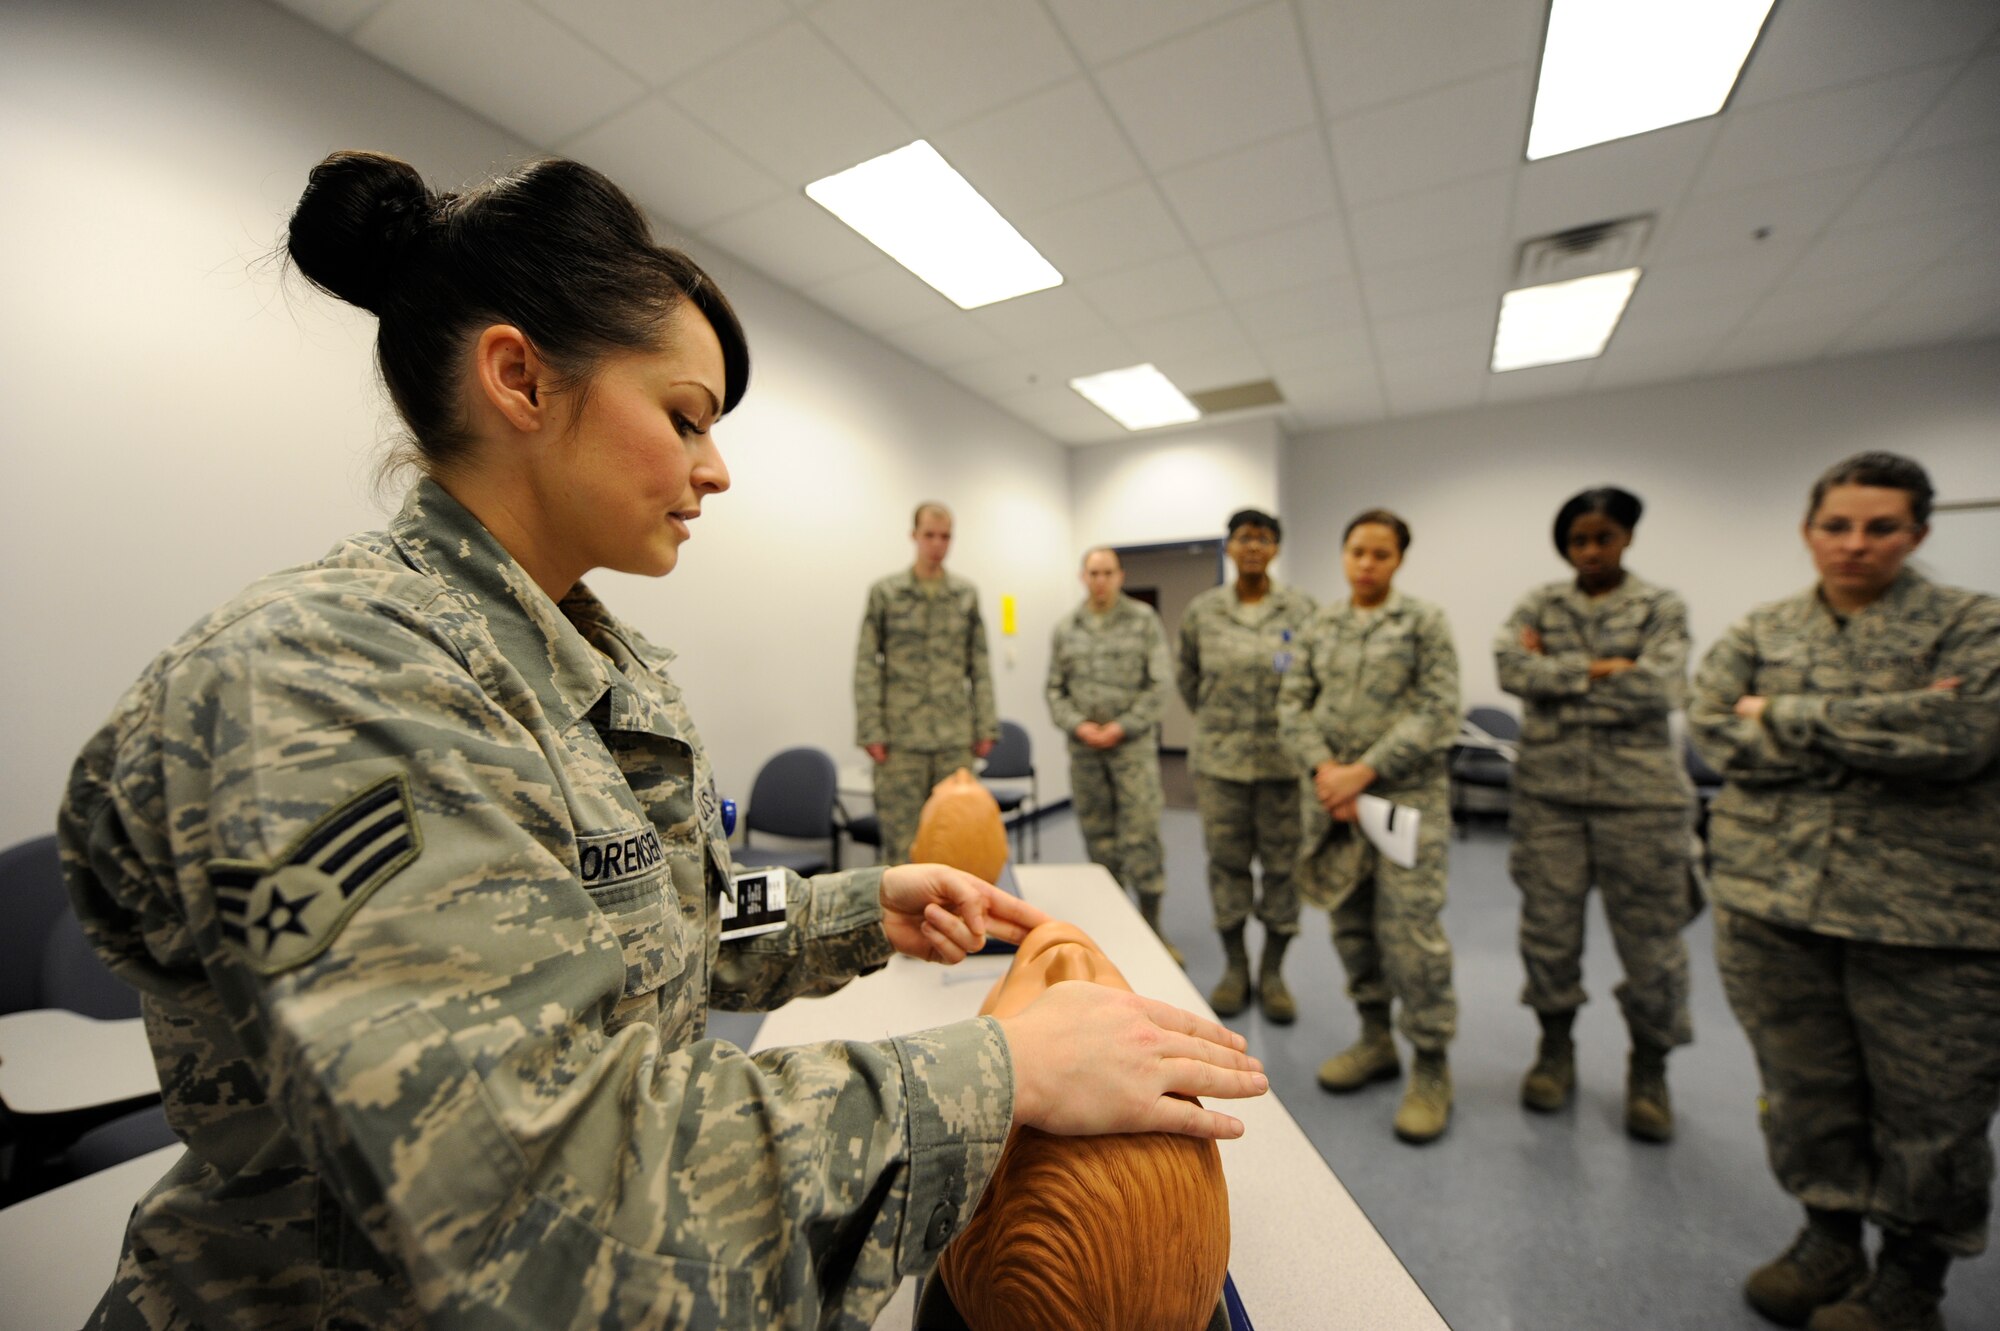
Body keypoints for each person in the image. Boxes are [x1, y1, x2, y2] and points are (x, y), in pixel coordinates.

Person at [57, 150, 1268, 1331]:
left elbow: (662, 923)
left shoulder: (589, 664)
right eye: (685, 416)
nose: (717, 468)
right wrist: (999, 1070)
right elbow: (534, 1205)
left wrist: (857, 908)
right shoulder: (328, 683)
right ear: (520, 380)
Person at [1692, 451, 2000, 1331]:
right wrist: (1887, 723)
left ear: (1918, 534)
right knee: (1805, 1091)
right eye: (1837, 525)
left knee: (1932, 1111)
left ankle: (1910, 1278)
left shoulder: (1974, 625)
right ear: (1808, 530)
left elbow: (1961, 736)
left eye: (1881, 527)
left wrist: (1782, 714)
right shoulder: (1763, 627)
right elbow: (1712, 728)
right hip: (1772, 904)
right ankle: (1828, 1237)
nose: (1855, 543)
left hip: (1931, 918)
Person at [1494, 486, 1700, 1142]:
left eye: (1602, 538)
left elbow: (1663, 687)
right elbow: (1509, 669)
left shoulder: (1660, 606)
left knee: (1652, 947)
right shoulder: (1538, 602)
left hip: (1641, 801)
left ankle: (1650, 1068)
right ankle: (1555, 1049)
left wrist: (1557, 670)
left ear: (1626, 537)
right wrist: (1610, 668)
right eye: (1577, 540)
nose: (1589, 551)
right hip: (1549, 799)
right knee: (1548, 936)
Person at [1280, 509, 1461, 1145]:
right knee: (1351, 927)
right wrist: (1326, 770)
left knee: (1411, 936)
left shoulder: (1423, 622)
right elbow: (1292, 704)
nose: (1366, 564)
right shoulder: (1320, 625)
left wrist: (1364, 771)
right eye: (1357, 551)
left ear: (1398, 560)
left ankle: (1431, 1065)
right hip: (1334, 804)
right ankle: (1376, 1039)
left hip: (1403, 804)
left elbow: (1439, 710)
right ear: (1344, 553)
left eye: (1380, 554)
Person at [1175, 509, 1316, 1018]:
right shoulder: (1203, 611)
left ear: (1275, 548)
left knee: (1283, 869)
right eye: (1243, 538)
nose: (1253, 546)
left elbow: (1317, 680)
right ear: (1229, 547)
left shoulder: (1302, 610)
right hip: (1221, 766)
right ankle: (1235, 968)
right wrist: (1220, 723)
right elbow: (1188, 677)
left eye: (1263, 538)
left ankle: (1273, 973)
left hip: (1284, 766)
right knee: (1227, 866)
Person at [1045, 548, 1173, 957]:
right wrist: (1078, 725)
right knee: (1099, 842)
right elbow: (1055, 690)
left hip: (1131, 751)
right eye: (1093, 573)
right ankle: (1114, 932)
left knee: (1142, 837)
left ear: (1120, 576)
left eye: (1107, 573)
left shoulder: (1143, 621)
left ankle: (1153, 931)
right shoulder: (1067, 628)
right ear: (1082, 577)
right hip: (1086, 753)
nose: (1100, 580)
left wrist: (1123, 726)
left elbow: (1159, 685)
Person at [854, 502, 999, 864]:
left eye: (945, 536)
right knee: (902, 843)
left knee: (958, 838)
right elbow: (867, 664)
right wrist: (871, 730)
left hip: (953, 738)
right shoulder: (887, 593)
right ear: (914, 536)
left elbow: (979, 664)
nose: (937, 544)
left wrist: (985, 726)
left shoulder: (965, 594)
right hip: (901, 740)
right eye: (930, 535)